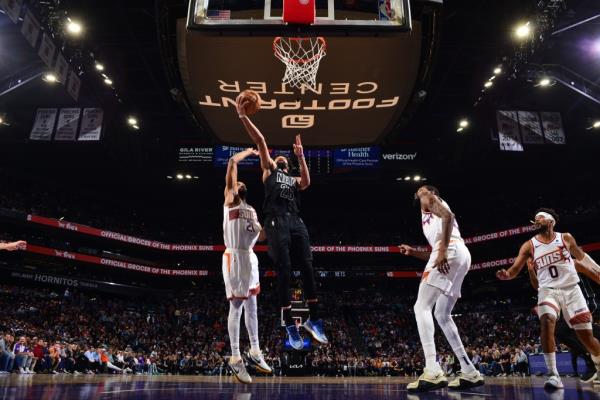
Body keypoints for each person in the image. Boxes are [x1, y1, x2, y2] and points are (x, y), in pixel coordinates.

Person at [235, 95, 327, 349]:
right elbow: (260, 140)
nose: (282, 159)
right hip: (275, 221)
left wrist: (302, 156)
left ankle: (313, 320)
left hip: (296, 221)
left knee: (308, 266)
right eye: (281, 158)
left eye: (286, 159)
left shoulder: (294, 178)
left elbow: (307, 183)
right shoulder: (269, 170)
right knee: (285, 269)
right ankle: (289, 325)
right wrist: (243, 116)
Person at [497, 208, 600, 389]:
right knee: (546, 320)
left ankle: (597, 362)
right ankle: (553, 375)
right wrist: (507, 274)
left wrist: (598, 269)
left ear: (551, 221)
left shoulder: (565, 238)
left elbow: (582, 258)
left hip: (572, 291)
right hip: (548, 291)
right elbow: (513, 270)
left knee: (587, 337)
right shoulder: (529, 245)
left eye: (540, 218)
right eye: (535, 219)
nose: (536, 221)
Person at [399, 185, 484, 391]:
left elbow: (449, 216)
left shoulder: (429, 198)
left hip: (451, 249)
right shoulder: (427, 216)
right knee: (442, 314)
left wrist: (444, 250)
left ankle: (433, 370)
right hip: (460, 253)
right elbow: (435, 253)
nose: (418, 191)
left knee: (421, 307)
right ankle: (469, 371)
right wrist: (413, 252)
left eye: (422, 189)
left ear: (430, 191)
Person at [222, 148, 272, 384]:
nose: (237, 182)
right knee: (238, 307)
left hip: (250, 258)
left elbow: (262, 238)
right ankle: (235, 357)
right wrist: (249, 152)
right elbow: (232, 161)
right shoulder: (230, 199)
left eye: (238, 182)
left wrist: (272, 223)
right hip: (234, 257)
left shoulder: (251, 210)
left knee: (252, 304)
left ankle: (254, 350)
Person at [527, 256, 598, 382]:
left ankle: (592, 363)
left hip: (582, 303)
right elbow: (538, 286)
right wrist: (531, 270)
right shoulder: (548, 273)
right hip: (566, 308)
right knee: (560, 331)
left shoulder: (569, 263)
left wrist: (590, 304)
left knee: (582, 335)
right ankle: (590, 362)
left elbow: (587, 280)